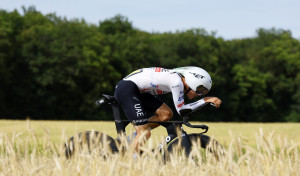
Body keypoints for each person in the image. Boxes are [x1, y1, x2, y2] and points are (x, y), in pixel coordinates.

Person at [114, 66, 222, 151]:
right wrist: (205, 100)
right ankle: (128, 160)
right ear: (192, 81)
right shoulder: (177, 82)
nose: (200, 94)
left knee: (166, 114)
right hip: (128, 89)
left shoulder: (176, 78)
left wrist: (204, 101)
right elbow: (182, 110)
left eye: (204, 92)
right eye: (200, 89)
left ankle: (132, 139)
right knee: (144, 133)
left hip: (136, 90)